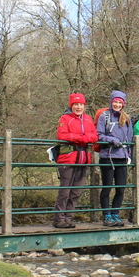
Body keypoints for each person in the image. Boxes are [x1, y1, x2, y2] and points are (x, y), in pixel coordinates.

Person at [53, 93, 98, 228]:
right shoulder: (65, 119)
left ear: (84, 106)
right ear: (71, 105)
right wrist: (83, 138)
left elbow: (95, 136)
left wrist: (79, 137)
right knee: (65, 191)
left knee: (76, 192)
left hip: (83, 159)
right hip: (68, 159)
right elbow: (62, 135)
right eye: (76, 104)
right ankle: (59, 219)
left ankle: (68, 218)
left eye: (81, 105)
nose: (79, 107)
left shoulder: (88, 119)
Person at [96, 90, 133, 227]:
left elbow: (130, 139)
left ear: (123, 104)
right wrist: (112, 140)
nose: (117, 104)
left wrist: (129, 156)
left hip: (122, 157)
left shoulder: (127, 119)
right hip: (108, 157)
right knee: (107, 187)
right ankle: (107, 215)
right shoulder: (104, 117)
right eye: (115, 102)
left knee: (120, 188)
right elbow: (99, 135)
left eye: (120, 102)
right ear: (111, 102)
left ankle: (115, 213)